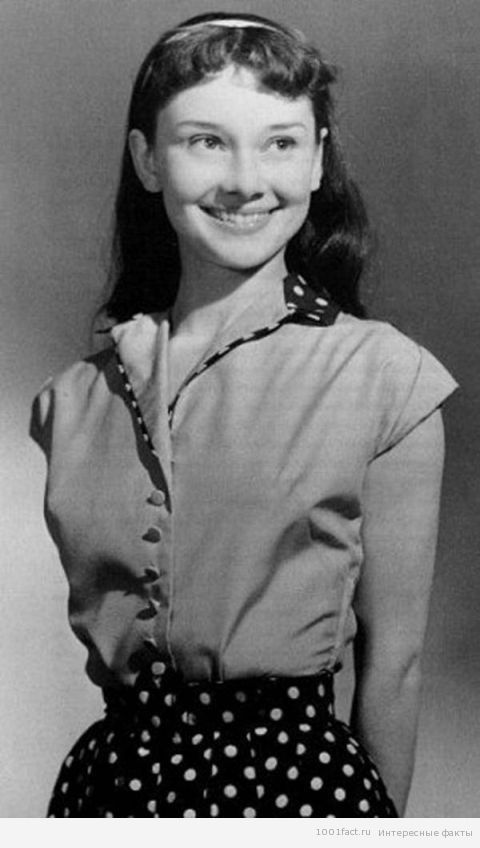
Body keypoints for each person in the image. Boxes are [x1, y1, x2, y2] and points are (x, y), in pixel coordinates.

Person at [31, 11, 457, 819]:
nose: (245, 179)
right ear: (147, 160)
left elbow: (394, 667)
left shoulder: (385, 378)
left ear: (318, 160)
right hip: (108, 795)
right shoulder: (73, 400)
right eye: (206, 141)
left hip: (296, 794)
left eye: (280, 143)